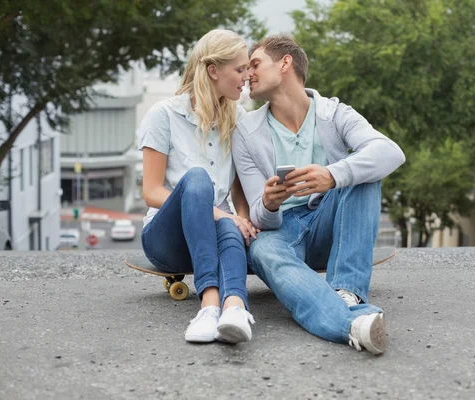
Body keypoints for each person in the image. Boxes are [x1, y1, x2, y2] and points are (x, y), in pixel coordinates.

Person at [231, 35, 405, 355]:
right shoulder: (245, 131)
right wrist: (269, 203)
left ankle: (345, 293)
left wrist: (333, 175)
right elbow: (259, 216)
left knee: (362, 174)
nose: (247, 74)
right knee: (262, 250)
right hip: (283, 230)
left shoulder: (334, 113)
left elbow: (390, 152)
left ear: (285, 63)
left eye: (255, 64)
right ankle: (353, 322)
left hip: (331, 223)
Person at [138, 29, 257, 344]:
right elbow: (150, 191)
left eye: (248, 68)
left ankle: (233, 309)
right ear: (213, 70)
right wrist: (222, 215)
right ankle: (208, 305)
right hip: (167, 239)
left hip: (214, 235)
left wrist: (240, 218)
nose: (247, 76)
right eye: (240, 69)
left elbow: (238, 189)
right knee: (197, 178)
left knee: (230, 226)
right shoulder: (164, 115)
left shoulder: (238, 119)